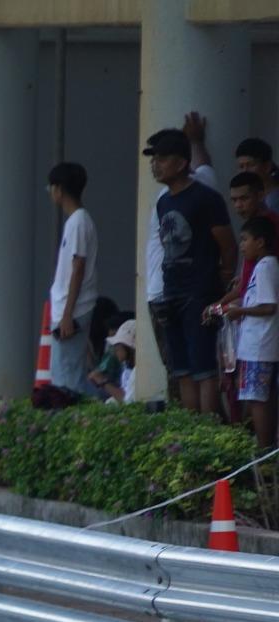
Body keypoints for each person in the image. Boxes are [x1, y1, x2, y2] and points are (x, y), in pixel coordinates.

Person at [146, 124, 235, 413]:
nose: (155, 165)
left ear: (182, 162)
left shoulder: (205, 198)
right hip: (171, 292)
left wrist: (223, 278)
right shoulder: (164, 202)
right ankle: (191, 427)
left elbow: (227, 244)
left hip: (199, 293)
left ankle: (207, 428)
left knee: (203, 369)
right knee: (182, 369)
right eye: (154, 159)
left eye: (162, 158)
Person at [223, 217, 278, 450]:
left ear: (260, 242)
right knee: (260, 398)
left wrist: (240, 311)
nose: (242, 245)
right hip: (258, 346)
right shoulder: (263, 266)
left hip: (259, 347)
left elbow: (269, 307)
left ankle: (264, 448)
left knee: (257, 399)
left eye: (245, 239)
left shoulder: (266, 266)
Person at [45, 162, 97, 394]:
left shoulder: (78, 222)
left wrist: (68, 314)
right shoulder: (77, 221)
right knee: (64, 374)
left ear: (59, 189)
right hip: (68, 308)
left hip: (72, 310)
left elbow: (78, 268)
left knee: (66, 381)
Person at [88, 317, 139, 403]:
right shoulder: (127, 369)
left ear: (129, 348)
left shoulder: (138, 372)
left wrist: (102, 381)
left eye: (118, 346)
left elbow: (128, 402)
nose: (115, 350)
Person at [236, 135, 279, 215]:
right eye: (241, 166)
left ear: (267, 166)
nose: (245, 171)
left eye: (251, 165)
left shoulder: (274, 201)